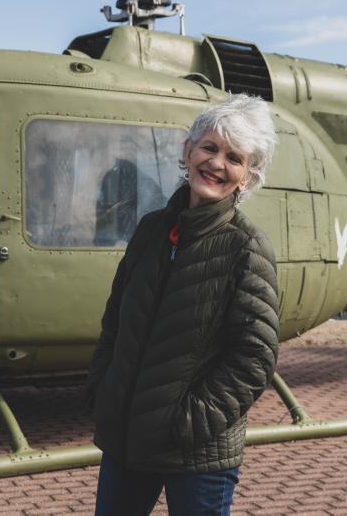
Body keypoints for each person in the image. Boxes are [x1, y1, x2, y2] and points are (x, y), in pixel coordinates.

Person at [85, 94, 280, 516]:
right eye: (209, 147)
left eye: (234, 157)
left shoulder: (246, 246)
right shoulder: (152, 230)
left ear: (246, 177)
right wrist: (104, 390)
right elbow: (115, 321)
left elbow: (254, 358)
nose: (216, 163)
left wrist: (187, 423)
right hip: (127, 439)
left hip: (197, 453)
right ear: (187, 150)